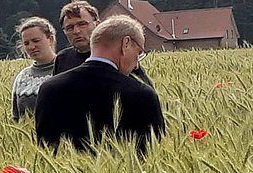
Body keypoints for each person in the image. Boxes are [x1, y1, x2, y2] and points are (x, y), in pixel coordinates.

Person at [33, 14, 166, 153]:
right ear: (126, 43)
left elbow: (46, 150)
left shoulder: (49, 89)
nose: (136, 63)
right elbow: (152, 152)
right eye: (138, 52)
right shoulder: (141, 94)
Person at [54, 0, 152, 85]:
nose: (76, 31)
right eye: (69, 28)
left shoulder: (117, 55)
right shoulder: (62, 59)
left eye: (82, 24)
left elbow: (144, 89)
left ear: (97, 24)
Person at [10, 17, 58, 120]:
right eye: (26, 43)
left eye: (36, 41)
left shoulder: (67, 69)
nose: (31, 47)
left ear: (50, 39)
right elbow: (15, 118)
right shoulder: (22, 78)